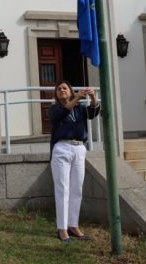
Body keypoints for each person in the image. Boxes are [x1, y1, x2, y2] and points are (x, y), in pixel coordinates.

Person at [48, 81, 100, 243]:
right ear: (57, 94)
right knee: (63, 189)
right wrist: (77, 97)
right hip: (61, 149)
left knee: (76, 189)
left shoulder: (80, 109)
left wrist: (93, 97)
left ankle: (73, 225)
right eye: (59, 89)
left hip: (78, 148)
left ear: (70, 91)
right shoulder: (54, 109)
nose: (62, 90)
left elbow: (93, 113)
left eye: (65, 88)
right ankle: (62, 229)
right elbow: (61, 115)